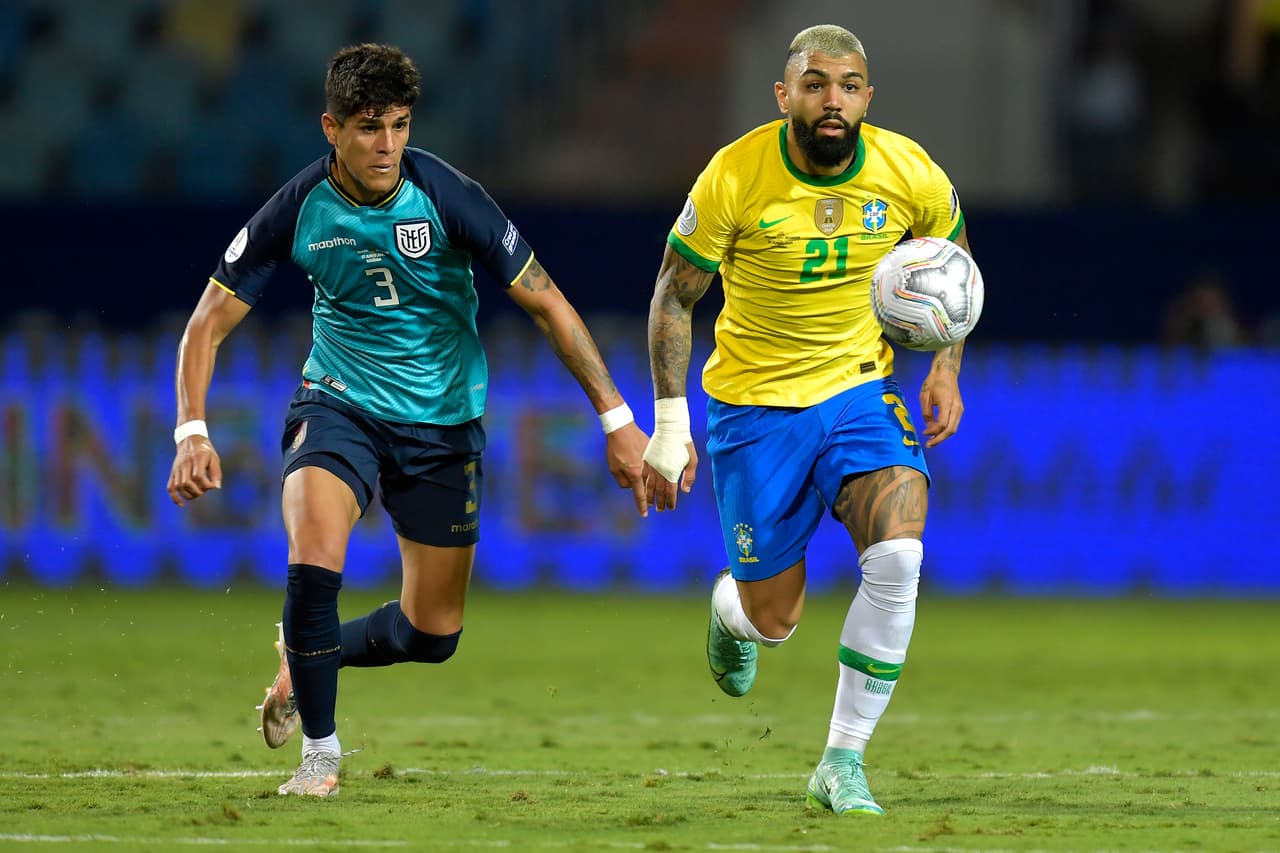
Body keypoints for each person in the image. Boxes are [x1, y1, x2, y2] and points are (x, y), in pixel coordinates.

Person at [166, 43, 650, 799]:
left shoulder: (449, 195)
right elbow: (205, 325)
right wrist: (190, 430)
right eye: (368, 128)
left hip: (441, 426)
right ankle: (320, 757)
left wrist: (617, 417)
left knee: (433, 633)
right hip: (338, 405)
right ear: (331, 128)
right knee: (314, 552)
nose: (387, 145)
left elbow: (547, 301)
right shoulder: (298, 208)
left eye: (398, 125)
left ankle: (304, 657)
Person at [641, 25, 974, 815]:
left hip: (860, 393)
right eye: (816, 84)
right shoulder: (734, 174)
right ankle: (732, 611)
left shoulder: (907, 169)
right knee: (774, 616)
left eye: (849, 85)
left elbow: (952, 258)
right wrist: (668, 422)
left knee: (897, 556)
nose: (834, 100)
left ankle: (841, 761)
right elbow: (673, 295)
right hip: (755, 409)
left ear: (867, 97)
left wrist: (946, 365)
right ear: (784, 94)